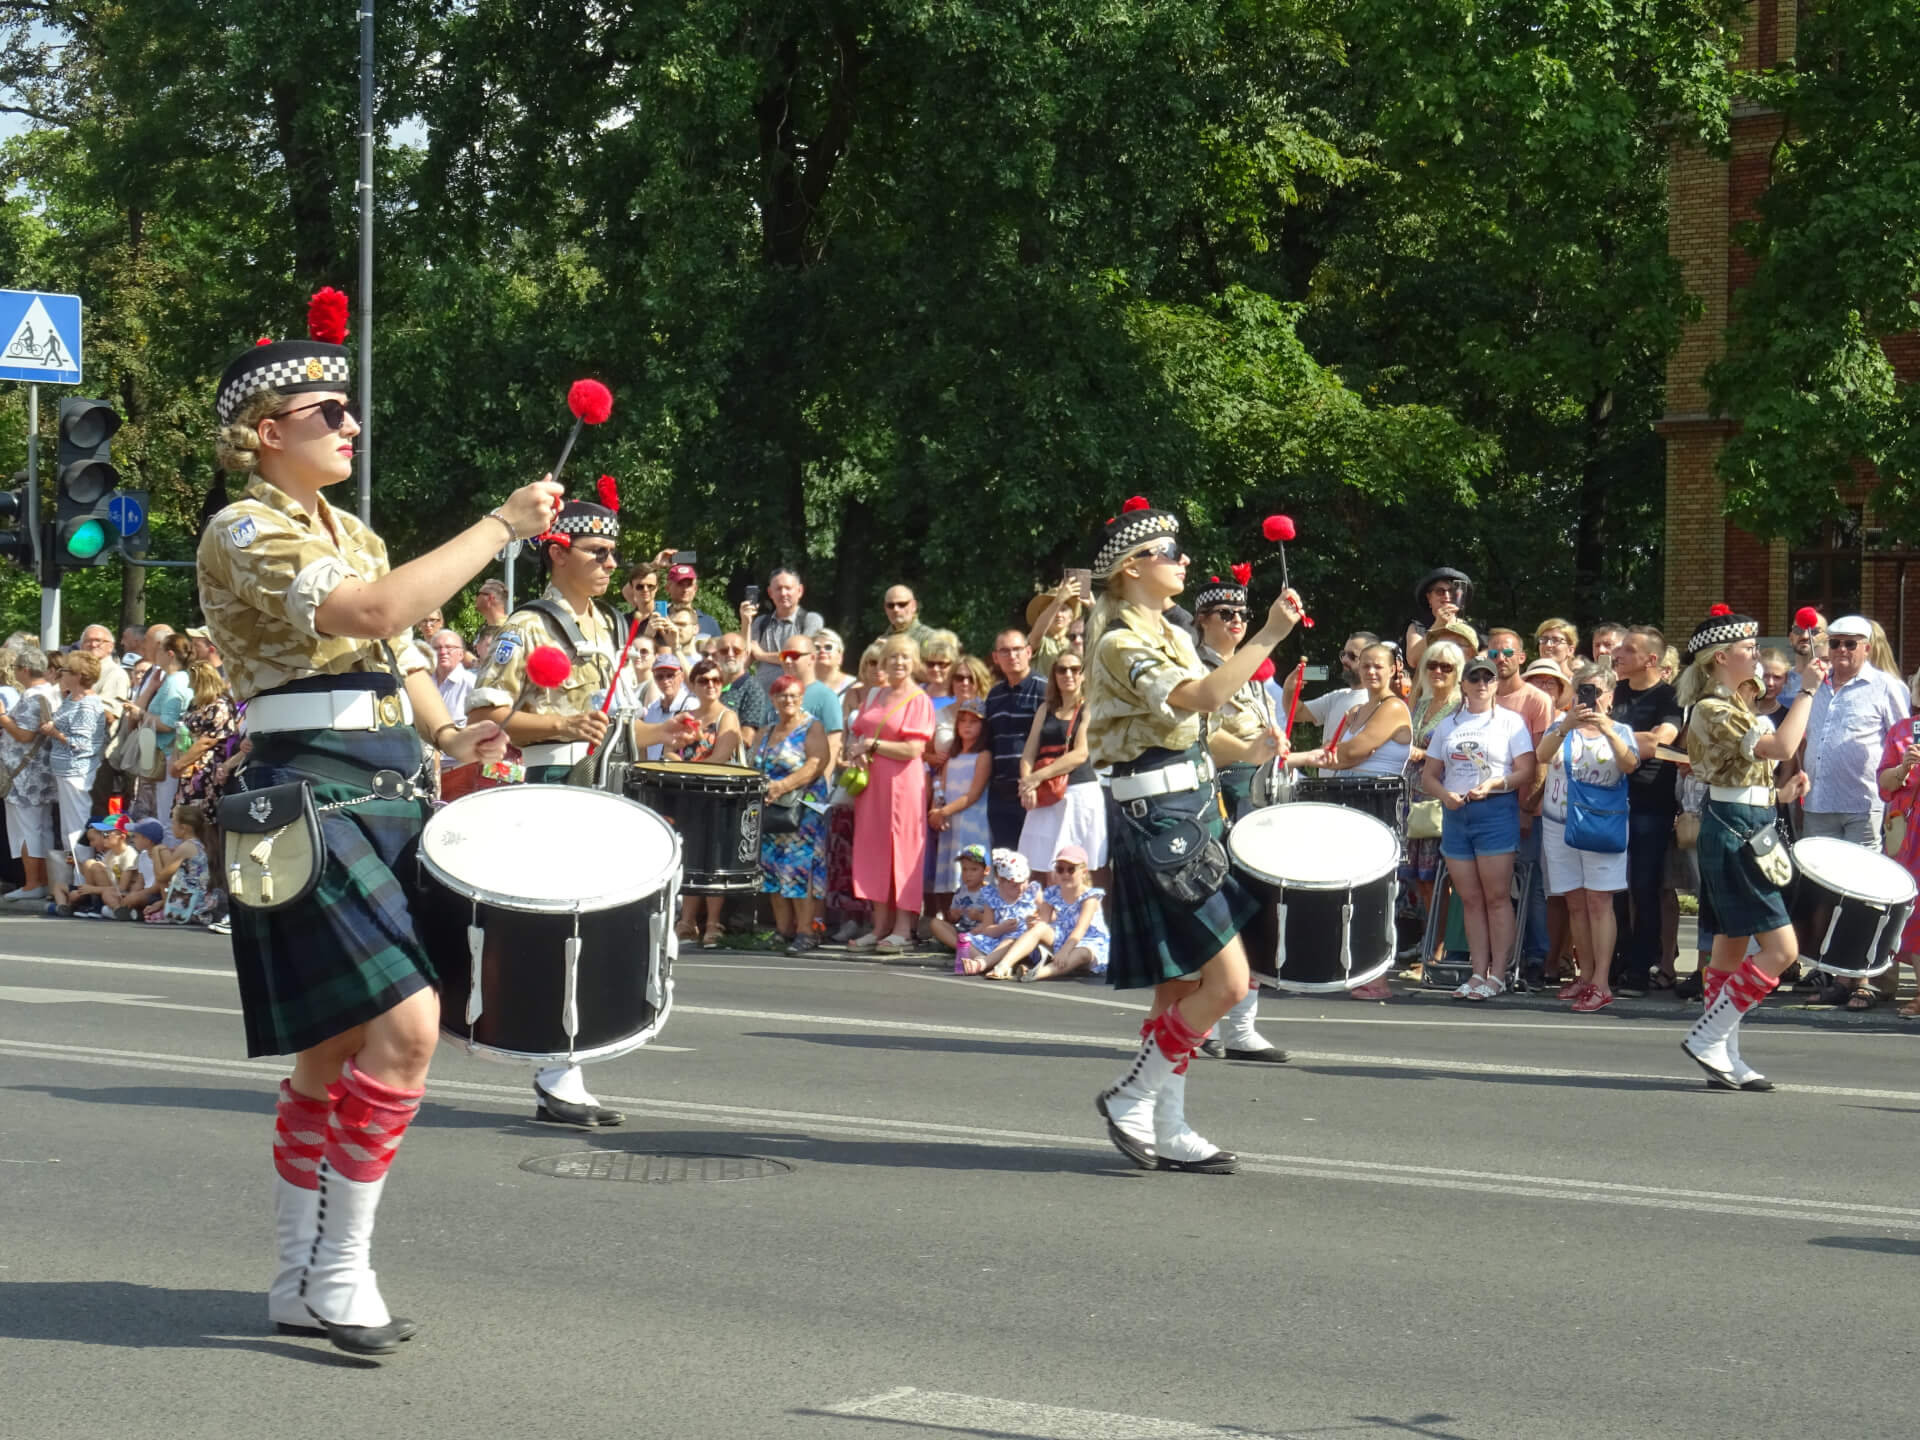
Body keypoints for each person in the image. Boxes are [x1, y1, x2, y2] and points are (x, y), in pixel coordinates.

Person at [197, 308, 551, 1353]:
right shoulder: (245, 528)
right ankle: (342, 1272)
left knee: (327, 1054)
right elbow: (368, 616)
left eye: (353, 409)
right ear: (267, 431)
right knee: (408, 1032)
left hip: (385, 793)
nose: (352, 424)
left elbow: (401, 664)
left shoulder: (355, 531)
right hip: (299, 796)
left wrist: (460, 737)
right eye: (329, 411)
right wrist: (500, 526)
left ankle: (293, 1277)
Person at [1085, 498, 1303, 1173]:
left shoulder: (1173, 633)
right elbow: (1200, 699)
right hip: (1159, 823)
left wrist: (1256, 747)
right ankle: (1134, 1096)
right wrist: (1267, 636)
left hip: (1192, 810)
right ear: (1132, 568)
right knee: (1230, 983)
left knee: (1179, 988)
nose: (1182, 562)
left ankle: (1167, 1123)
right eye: (1170, 553)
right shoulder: (1120, 641)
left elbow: (1204, 737)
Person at [1679, 608, 1823, 1089]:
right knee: (1782, 950)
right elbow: (1780, 747)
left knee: (1729, 950)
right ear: (1721, 657)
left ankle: (1725, 1056)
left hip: (1747, 821)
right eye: (1748, 649)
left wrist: (1778, 796)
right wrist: (1806, 690)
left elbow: (1750, 774)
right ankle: (1709, 1037)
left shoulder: (1735, 706)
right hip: (1736, 829)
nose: (1757, 655)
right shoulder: (1710, 708)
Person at [1192, 571, 1290, 1051]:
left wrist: (1274, 744)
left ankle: (1240, 1028)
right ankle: (1201, 1022)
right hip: (1216, 799)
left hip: (1256, 799)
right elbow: (1200, 738)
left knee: (1252, 912)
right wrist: (1252, 748)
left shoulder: (1248, 673)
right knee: (1215, 914)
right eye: (1225, 614)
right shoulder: (1194, 668)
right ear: (1201, 620)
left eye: (1243, 615)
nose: (1236, 622)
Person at [1800, 614, 1909, 1008]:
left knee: (1864, 896)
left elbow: (1902, 740)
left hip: (1866, 804)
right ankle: (1834, 977)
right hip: (1817, 803)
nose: (1842, 651)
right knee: (1824, 893)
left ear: (1866, 647)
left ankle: (1864, 978)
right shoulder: (1813, 683)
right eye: (1836, 643)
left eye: (1851, 644)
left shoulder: (1886, 687)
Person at [1420, 653, 1537, 1001]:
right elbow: (1429, 776)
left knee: (1497, 896)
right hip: (1457, 814)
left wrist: (1494, 785)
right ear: (1464, 684)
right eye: (1475, 678)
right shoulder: (1448, 724)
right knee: (1469, 899)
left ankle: (1498, 973)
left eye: (1488, 678)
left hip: (1495, 810)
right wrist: (1445, 795)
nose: (1482, 684)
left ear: (1496, 684)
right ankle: (1476, 972)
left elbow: (1525, 770)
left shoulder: (1510, 722)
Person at [1535, 662, 1640, 1012]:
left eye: (1595, 691)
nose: (1590, 698)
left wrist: (1607, 730)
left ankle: (1601, 981)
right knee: (1575, 902)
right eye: (1584, 690)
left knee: (1599, 902)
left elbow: (1629, 765)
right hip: (1558, 823)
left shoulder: (1621, 730)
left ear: (1609, 697)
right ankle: (1585, 974)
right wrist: (1566, 725)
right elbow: (1542, 756)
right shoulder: (1560, 727)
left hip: (1601, 824)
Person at [1607, 625, 1685, 995]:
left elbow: (1659, 742)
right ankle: (1616, 962)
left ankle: (1641, 968)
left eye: (1628, 649)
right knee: (1612, 889)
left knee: (1644, 887)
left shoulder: (1670, 697)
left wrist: (1609, 730)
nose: (1617, 653)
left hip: (1650, 805)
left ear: (1651, 660)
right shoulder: (1614, 692)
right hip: (1607, 803)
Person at [846, 634, 935, 952]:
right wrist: (857, 750)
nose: (898, 662)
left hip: (902, 784)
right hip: (870, 783)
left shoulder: (918, 699)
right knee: (873, 850)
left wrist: (874, 745)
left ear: (914, 663)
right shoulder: (871, 694)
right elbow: (859, 732)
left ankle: (903, 929)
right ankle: (879, 925)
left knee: (903, 851)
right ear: (883, 661)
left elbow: (914, 748)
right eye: (893, 657)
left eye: (905, 657)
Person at [753, 675, 830, 953]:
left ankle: (806, 931)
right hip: (771, 810)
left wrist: (782, 786)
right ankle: (782, 929)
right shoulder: (766, 731)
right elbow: (753, 765)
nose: (788, 700)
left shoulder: (812, 727)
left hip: (801, 810)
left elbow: (816, 764)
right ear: (773, 699)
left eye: (794, 695)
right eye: (782, 695)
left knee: (798, 871)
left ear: (801, 699)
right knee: (773, 870)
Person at [1017, 650, 1107, 879]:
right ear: (1054, 674)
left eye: (1075, 669)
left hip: (1079, 793)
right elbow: (1029, 752)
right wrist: (1027, 785)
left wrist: (1036, 777)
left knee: (1081, 866)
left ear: (1083, 675)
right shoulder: (1045, 709)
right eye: (1062, 669)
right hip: (1046, 795)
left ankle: (1088, 914)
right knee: (1037, 864)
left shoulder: (1090, 707)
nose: (1068, 674)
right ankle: (1045, 913)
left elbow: (1080, 754)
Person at [1875, 671, 1920, 1017]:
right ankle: (1884, 980)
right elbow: (1884, 782)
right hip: (1904, 829)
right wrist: (1904, 767)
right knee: (1903, 902)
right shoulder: (1903, 730)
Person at [0, 645, 59, 906]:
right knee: (41, 828)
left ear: (24, 670)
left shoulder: (33, 696)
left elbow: (24, 734)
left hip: (24, 775)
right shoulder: (51, 692)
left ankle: (32, 883)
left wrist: (2, 716)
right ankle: (43, 881)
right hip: (40, 773)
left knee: (26, 830)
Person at [42, 651, 107, 871]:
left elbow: (82, 743)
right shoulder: (71, 698)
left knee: (76, 828)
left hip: (77, 773)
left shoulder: (88, 704)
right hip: (64, 770)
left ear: (78, 676)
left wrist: (54, 733)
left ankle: (83, 880)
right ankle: (73, 879)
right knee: (67, 828)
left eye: (66, 670)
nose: (62, 674)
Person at [983, 627, 1047, 850]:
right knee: (1005, 861)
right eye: (1005, 651)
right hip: (1000, 793)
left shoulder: (1044, 690)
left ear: (1029, 652)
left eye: (1017, 649)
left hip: (1034, 792)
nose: (1012, 656)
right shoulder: (994, 695)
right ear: (995, 657)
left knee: (1037, 861)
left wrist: (1034, 782)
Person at [929, 698, 993, 907]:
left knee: (972, 869)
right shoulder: (952, 757)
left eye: (973, 722)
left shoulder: (983, 756)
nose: (967, 725)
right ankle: (952, 921)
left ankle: (976, 919)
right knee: (950, 872)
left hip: (972, 823)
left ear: (983, 727)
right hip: (950, 823)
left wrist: (943, 811)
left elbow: (973, 794)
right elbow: (941, 788)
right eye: (963, 721)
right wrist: (935, 810)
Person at [1024, 844, 1110, 981]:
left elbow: (1080, 930)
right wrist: (1033, 923)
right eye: (1060, 869)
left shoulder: (1090, 897)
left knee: (1081, 952)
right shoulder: (1052, 893)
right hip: (1063, 937)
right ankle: (1004, 965)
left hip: (1088, 941)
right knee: (1039, 928)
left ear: (1084, 872)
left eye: (1071, 870)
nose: (1065, 874)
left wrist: (1065, 951)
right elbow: (1044, 921)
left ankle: (1038, 973)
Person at [170, 660, 241, 809]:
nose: (189, 686)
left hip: (207, 769)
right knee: (186, 815)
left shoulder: (220, 705)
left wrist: (179, 764)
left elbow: (207, 741)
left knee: (202, 817)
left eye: (192, 682)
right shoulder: (196, 703)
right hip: (190, 765)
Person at [743, 568, 822, 681]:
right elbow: (743, 663)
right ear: (770, 593)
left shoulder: (811, 620)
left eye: (788, 588)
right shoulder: (761, 623)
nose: (783, 593)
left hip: (795, 695)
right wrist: (746, 622)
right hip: (762, 695)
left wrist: (761, 655)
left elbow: (800, 656)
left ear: (800, 590)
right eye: (778, 589)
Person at [927, 844, 992, 956]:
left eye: (974, 869)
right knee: (934, 923)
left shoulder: (991, 892)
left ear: (986, 871)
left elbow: (996, 920)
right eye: (964, 869)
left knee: (991, 931)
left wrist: (979, 917)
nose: (968, 874)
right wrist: (954, 915)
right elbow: (952, 919)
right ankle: (961, 947)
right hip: (962, 932)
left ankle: (963, 947)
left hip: (981, 934)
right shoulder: (960, 891)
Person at [713, 632, 774, 747]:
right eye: (724, 651)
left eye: (736, 651)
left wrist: (709, 738)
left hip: (730, 762)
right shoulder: (709, 684)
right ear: (716, 656)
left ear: (746, 655)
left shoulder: (753, 689)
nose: (730, 654)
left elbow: (747, 738)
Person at [1405, 569, 1474, 670]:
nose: (1447, 596)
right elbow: (1413, 660)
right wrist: (1438, 625)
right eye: (1440, 591)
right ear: (1429, 598)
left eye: (1452, 591)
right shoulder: (1418, 628)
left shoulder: (1469, 629)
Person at [641, 654, 698, 759]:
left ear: (681, 677)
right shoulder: (653, 708)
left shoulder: (692, 705)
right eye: (659, 677)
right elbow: (644, 746)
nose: (665, 681)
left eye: (670, 675)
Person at [1026, 582, 1084, 680]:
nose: (1058, 614)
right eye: (1053, 610)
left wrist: (1093, 606)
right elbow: (1037, 634)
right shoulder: (1041, 642)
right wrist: (1058, 600)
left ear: (1071, 617)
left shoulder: (1076, 641)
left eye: (1063, 609)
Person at [1776, 609, 1825, 707]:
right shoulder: (1776, 681)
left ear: (1825, 638)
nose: (1805, 636)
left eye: (1814, 631)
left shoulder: (1834, 680)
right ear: (1791, 637)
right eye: (1798, 630)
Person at [663, 562, 721, 640]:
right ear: (667, 588)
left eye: (689, 585)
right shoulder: (658, 620)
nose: (685, 589)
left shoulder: (709, 623)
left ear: (695, 589)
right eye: (680, 584)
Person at [879, 584, 938, 652]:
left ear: (914, 606)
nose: (895, 609)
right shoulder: (881, 640)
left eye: (902, 604)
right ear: (885, 609)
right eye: (890, 605)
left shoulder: (930, 637)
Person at [471, 578, 510, 663]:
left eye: (478, 594)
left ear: (490, 598)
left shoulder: (509, 630)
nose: (475, 598)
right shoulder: (486, 628)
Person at [813, 630, 856, 698]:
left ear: (840, 656)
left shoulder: (855, 687)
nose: (822, 650)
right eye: (817, 648)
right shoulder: (800, 686)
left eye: (828, 647)